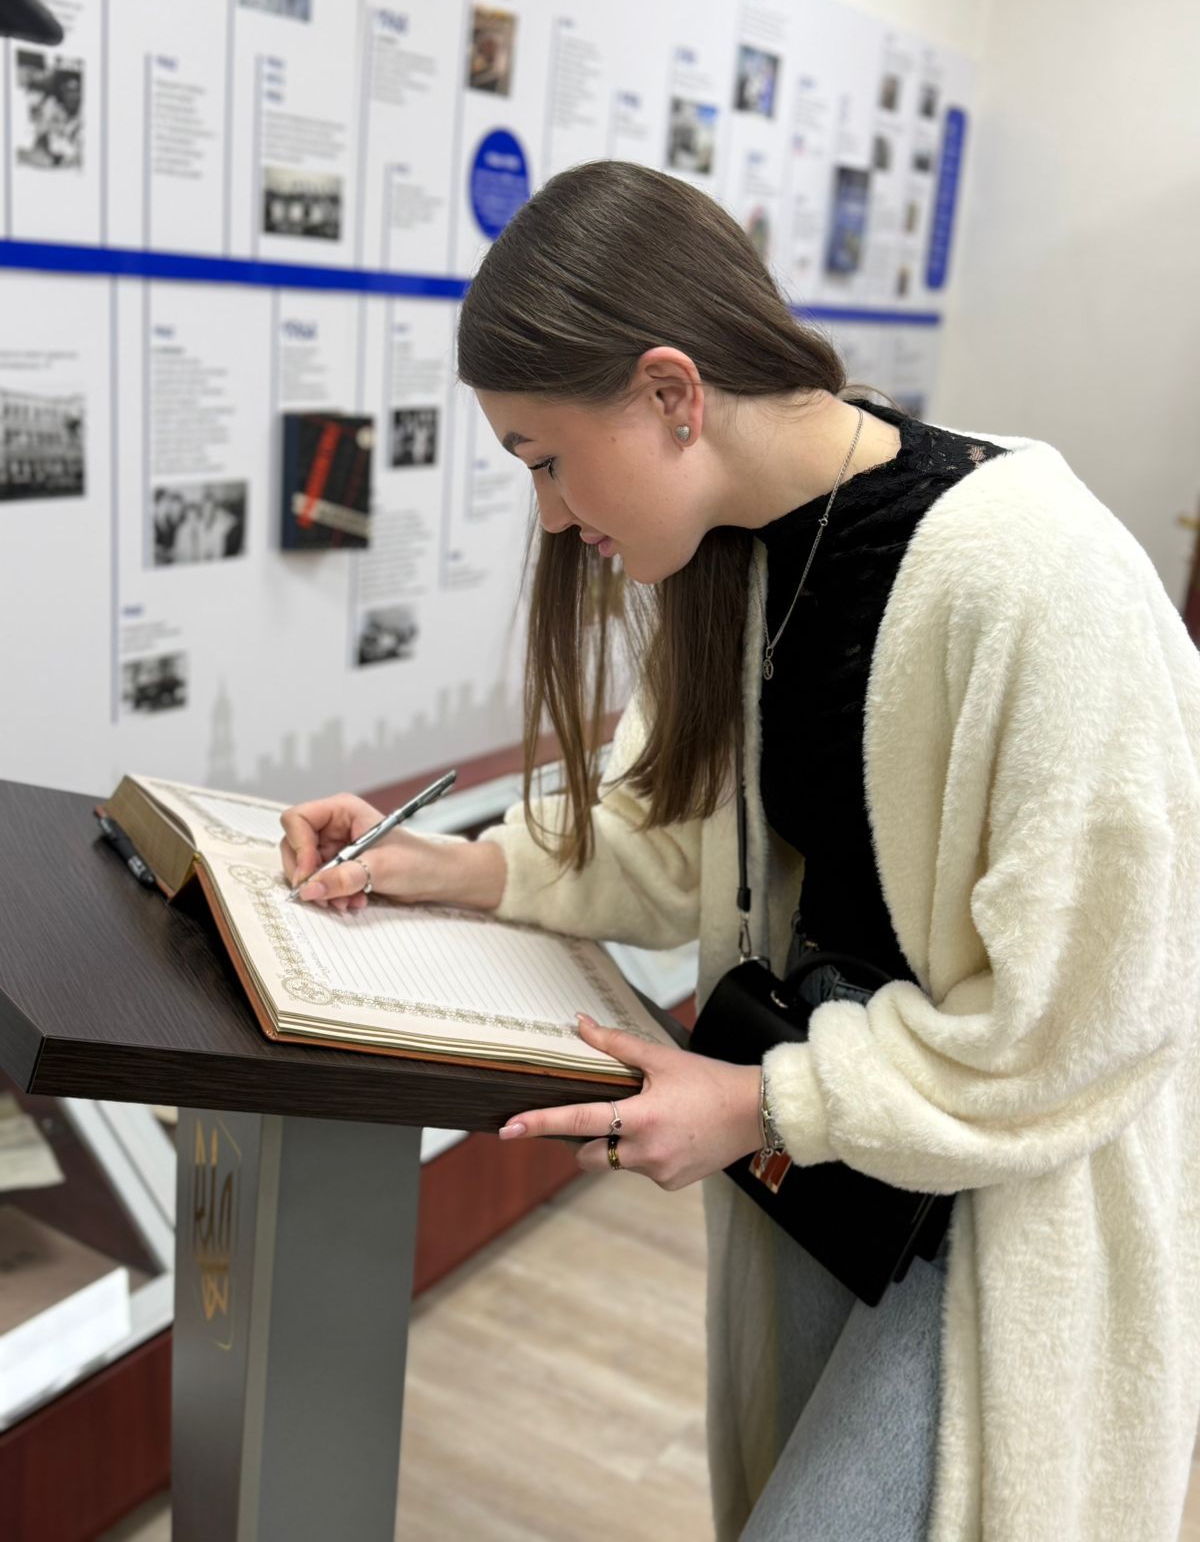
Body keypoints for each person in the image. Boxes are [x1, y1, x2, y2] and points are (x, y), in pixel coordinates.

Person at [278, 161, 1200, 1541]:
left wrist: (764, 1102)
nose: (549, 515)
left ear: (670, 393)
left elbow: (1092, 1018)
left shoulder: (1040, 579)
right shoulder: (746, 555)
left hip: (998, 1225)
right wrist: (455, 866)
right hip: (835, 1183)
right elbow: (678, 843)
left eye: (543, 459)